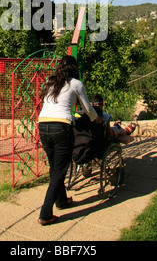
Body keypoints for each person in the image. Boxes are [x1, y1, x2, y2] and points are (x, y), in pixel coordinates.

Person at [37, 55, 102, 226]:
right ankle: (45, 213)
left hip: (43, 125)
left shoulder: (49, 82)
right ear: (74, 68)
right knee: (59, 170)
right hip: (62, 127)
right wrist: (97, 119)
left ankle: (62, 201)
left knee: (54, 167)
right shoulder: (76, 83)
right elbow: (87, 108)